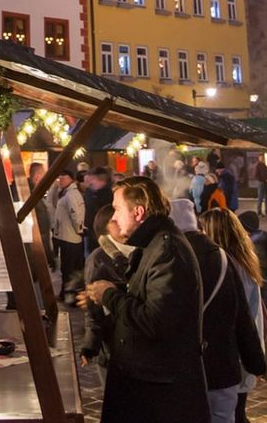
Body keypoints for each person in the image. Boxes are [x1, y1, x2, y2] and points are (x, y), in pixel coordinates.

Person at [81, 177, 209, 423]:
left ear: (138, 212)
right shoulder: (152, 244)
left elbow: (155, 320)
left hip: (159, 391)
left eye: (117, 209)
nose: (114, 218)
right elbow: (147, 293)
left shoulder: (167, 251)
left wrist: (109, 294)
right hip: (146, 381)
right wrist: (110, 289)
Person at [186, 211, 265, 422]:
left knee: (233, 413)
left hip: (232, 353)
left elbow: (241, 317)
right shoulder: (245, 260)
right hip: (243, 351)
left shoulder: (224, 265)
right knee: (237, 411)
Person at [78, 204, 131, 385]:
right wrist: (90, 346)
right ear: (105, 227)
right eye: (115, 220)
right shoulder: (98, 259)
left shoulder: (137, 250)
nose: (121, 221)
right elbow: (93, 309)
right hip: (113, 343)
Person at [51, 170, 86, 303]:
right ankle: (66, 294)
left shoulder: (71, 195)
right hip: (69, 235)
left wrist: (78, 229)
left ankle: (69, 296)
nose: (60, 181)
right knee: (70, 267)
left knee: (68, 268)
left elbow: (75, 214)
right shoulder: (68, 192)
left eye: (62, 178)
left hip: (70, 237)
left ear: (70, 179)